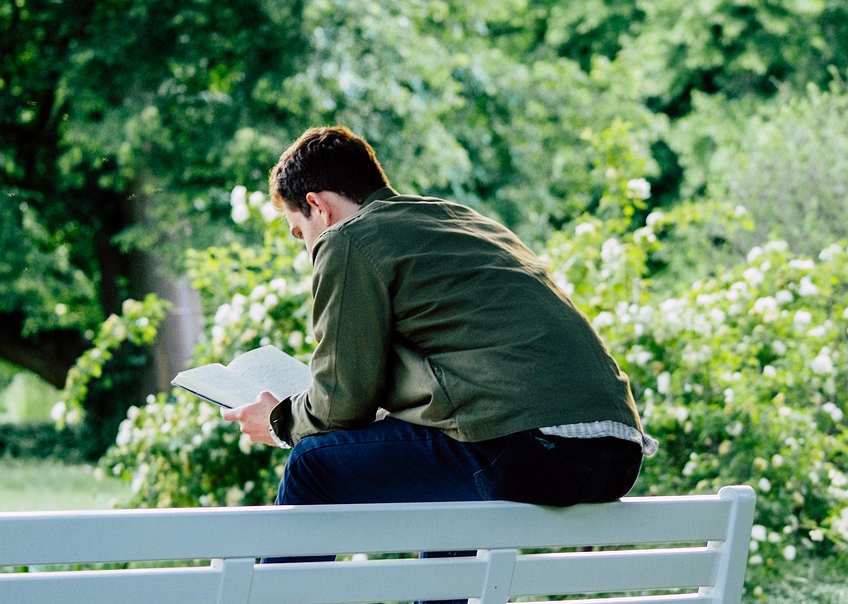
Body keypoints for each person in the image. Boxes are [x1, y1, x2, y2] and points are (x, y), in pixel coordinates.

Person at [223, 125, 655, 511]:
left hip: (531, 448)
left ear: (318, 206)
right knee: (443, 462)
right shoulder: (462, 222)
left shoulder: (347, 239)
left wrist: (280, 422)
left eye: (300, 231)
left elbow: (340, 402)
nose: (306, 246)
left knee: (310, 462)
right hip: (616, 453)